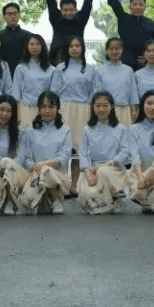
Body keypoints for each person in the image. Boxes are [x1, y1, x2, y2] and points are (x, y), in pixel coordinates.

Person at [14, 91, 73, 214]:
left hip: (58, 177)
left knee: (46, 170)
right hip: (35, 174)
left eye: (51, 107)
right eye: (43, 107)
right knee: (27, 203)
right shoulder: (30, 131)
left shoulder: (65, 130)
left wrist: (45, 164)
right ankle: (43, 199)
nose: (47, 111)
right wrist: (34, 166)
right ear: (39, 109)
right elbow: (26, 157)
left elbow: (64, 156)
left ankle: (56, 200)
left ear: (58, 108)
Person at [55, 35, 99, 193]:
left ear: (82, 48)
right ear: (67, 49)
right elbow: (54, 92)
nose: (74, 49)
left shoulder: (90, 70)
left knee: (78, 150)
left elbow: (95, 94)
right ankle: (62, 183)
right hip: (64, 110)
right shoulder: (60, 68)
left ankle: (74, 185)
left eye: (77, 46)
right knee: (63, 148)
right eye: (71, 46)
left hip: (84, 110)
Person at [77, 91, 131, 214]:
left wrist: (105, 165)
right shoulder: (87, 129)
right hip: (93, 170)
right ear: (92, 107)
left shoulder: (121, 129)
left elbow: (124, 152)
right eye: (98, 106)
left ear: (111, 107)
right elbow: (83, 154)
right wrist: (87, 172)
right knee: (86, 199)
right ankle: (104, 200)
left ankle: (114, 197)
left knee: (103, 171)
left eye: (105, 105)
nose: (101, 109)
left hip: (114, 168)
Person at [43, 0, 97, 64]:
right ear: (60, 11)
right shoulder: (56, 19)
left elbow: (88, 1)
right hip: (58, 59)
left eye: (71, 10)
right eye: (65, 10)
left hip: (77, 59)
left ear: (76, 10)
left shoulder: (80, 20)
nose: (68, 12)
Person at [12, 33, 57, 123]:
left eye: (38, 44)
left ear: (42, 46)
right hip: (25, 108)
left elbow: (54, 94)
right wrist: (17, 114)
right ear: (27, 47)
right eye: (32, 44)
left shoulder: (51, 70)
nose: (34, 47)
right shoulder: (21, 68)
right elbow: (16, 92)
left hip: (45, 110)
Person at [96, 37, 140, 128]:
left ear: (122, 50)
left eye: (117, 49)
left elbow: (133, 92)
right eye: (111, 49)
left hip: (124, 110)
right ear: (106, 51)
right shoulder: (99, 71)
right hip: (105, 111)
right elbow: (96, 93)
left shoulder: (128, 70)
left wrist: (134, 110)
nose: (114, 51)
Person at [0, 2, 33, 75]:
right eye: (9, 14)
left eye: (15, 13)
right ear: (4, 16)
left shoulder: (29, 36)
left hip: (24, 74)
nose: (13, 16)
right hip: (2, 74)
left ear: (19, 15)